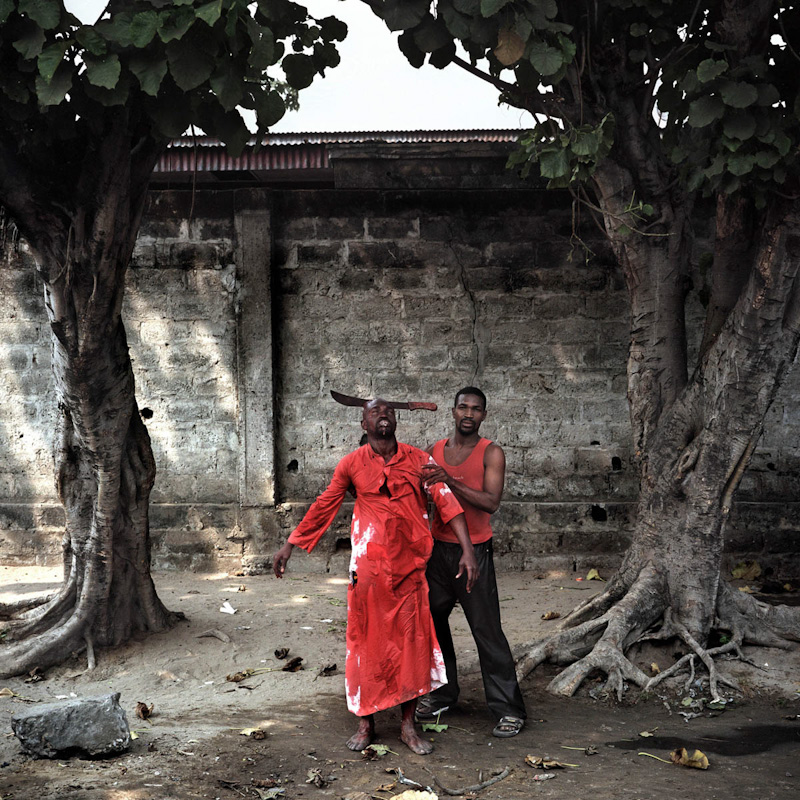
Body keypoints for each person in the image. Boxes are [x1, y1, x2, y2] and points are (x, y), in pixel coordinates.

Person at [273, 397, 479, 755]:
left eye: (389, 412)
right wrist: (291, 544)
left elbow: (446, 502)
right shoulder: (351, 464)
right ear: (363, 425)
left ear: (396, 422)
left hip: (411, 570)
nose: (383, 415)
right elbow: (326, 504)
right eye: (374, 412)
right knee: (365, 643)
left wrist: (468, 549)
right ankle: (366, 723)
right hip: (368, 570)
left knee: (411, 644)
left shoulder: (419, 460)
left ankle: (407, 725)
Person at [419, 387, 527, 738]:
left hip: (475, 552)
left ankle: (508, 709)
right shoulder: (434, 451)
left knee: (487, 631)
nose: (468, 413)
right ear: (452, 411)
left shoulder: (490, 452)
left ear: (483, 415)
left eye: (476, 409)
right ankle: (443, 693)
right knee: (432, 625)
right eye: (463, 407)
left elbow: (491, 502)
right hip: (438, 552)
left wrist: (449, 480)